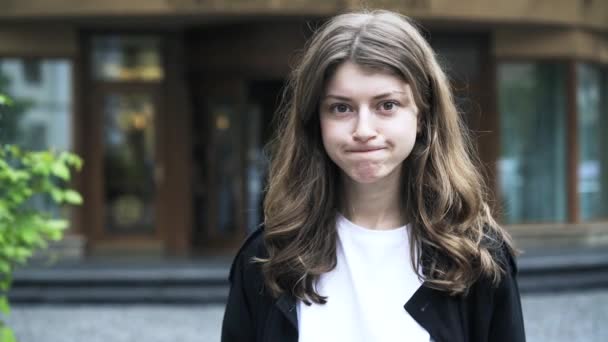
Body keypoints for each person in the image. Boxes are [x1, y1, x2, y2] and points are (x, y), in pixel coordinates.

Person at [221, 9, 526, 342]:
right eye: (341, 107)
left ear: (422, 115)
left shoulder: (476, 258)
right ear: (316, 120)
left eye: (387, 105)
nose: (363, 130)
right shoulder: (267, 258)